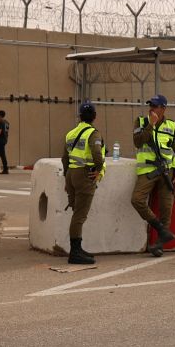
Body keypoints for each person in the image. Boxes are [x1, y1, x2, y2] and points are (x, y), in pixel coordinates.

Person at [132, 95, 175, 257]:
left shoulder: (171, 126)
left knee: (166, 209)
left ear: (163, 108)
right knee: (137, 199)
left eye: (155, 106)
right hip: (147, 170)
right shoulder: (141, 122)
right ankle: (160, 229)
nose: (151, 108)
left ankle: (159, 244)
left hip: (167, 171)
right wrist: (151, 125)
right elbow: (138, 142)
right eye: (150, 105)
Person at [61, 102, 105, 265]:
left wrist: (67, 176)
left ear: (79, 116)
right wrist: (98, 169)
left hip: (71, 174)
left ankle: (77, 249)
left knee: (76, 213)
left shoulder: (70, 133)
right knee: (79, 215)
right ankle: (75, 252)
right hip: (84, 175)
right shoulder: (93, 133)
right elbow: (97, 153)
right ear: (94, 116)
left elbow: (64, 158)